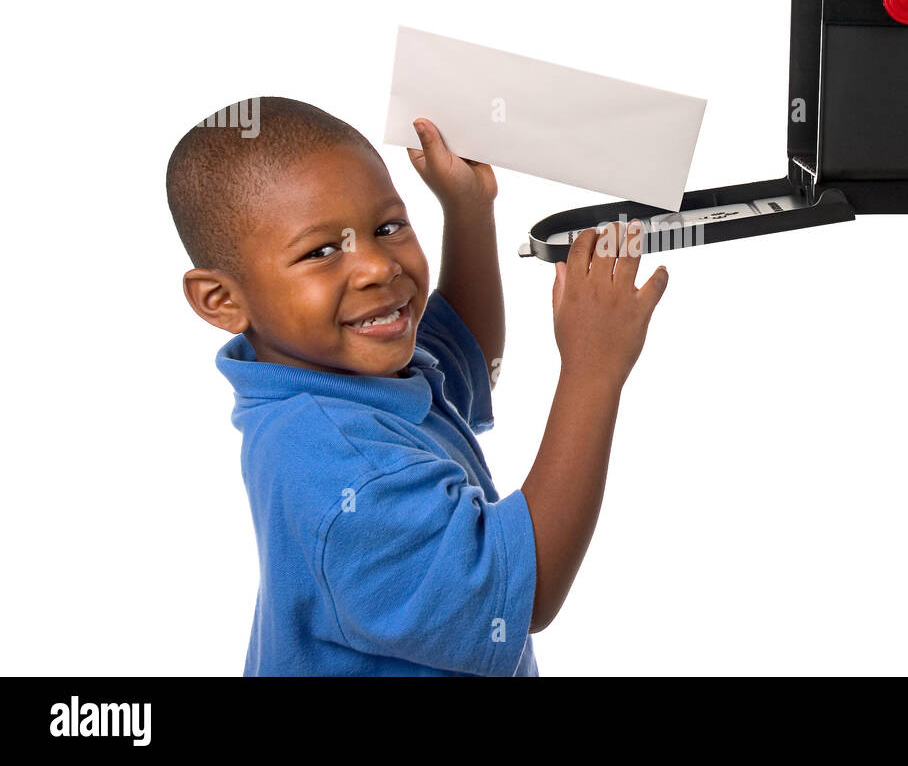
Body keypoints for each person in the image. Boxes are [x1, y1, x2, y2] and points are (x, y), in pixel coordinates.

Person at [166, 96, 669, 675]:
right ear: (221, 300)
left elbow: (468, 359)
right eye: (321, 251)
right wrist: (594, 368)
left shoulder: (334, 378)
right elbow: (527, 592)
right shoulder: (342, 462)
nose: (378, 266)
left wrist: (468, 209)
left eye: (388, 227)